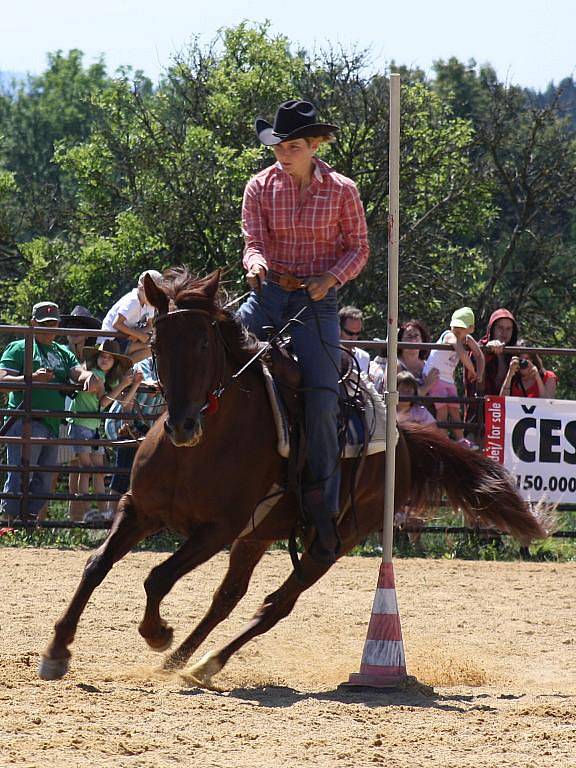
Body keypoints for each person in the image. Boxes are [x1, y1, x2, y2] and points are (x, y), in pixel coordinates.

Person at [238, 98, 369, 563]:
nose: (282, 153)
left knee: (320, 393)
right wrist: (254, 262)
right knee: (222, 363)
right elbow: (254, 241)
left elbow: (358, 248)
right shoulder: (258, 187)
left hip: (317, 300)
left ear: (315, 145)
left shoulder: (342, 190)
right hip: (269, 292)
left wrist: (330, 279)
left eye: (292, 146)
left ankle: (323, 507)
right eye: (278, 145)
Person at [0, 301, 100, 521]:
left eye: (54, 323)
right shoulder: (19, 347)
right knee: (20, 475)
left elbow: (76, 372)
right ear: (33, 323)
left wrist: (88, 376)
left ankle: (28, 523)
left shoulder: (62, 352)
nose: (50, 328)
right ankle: (8, 524)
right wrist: (31, 379)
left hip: (52, 422)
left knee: (45, 479)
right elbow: (3, 380)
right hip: (25, 420)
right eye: (45, 324)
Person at [67, 340, 134, 522]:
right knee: (88, 468)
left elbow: (121, 402)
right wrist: (125, 384)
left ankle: (102, 510)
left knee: (98, 469)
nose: (105, 360)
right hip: (81, 425)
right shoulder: (95, 376)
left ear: (114, 363)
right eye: (103, 356)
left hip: (92, 427)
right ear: (97, 358)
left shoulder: (106, 379)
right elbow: (104, 402)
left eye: (110, 358)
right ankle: (90, 510)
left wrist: (132, 384)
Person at [103, 355, 165, 520]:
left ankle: (126, 515)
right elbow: (128, 397)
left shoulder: (171, 369)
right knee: (125, 465)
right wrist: (148, 385)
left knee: (141, 470)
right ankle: (112, 513)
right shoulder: (143, 365)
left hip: (146, 428)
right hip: (124, 423)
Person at [422, 307, 485, 444]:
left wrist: (479, 374)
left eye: (461, 326)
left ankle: (461, 440)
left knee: (455, 409)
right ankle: (443, 440)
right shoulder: (449, 335)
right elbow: (462, 353)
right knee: (442, 410)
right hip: (436, 376)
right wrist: (473, 371)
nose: (457, 329)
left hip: (448, 378)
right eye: (455, 325)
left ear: (470, 328)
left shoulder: (467, 339)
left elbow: (479, 354)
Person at [100, 270, 163, 363]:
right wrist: (139, 335)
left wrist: (137, 333)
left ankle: (123, 368)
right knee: (152, 347)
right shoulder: (133, 301)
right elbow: (117, 324)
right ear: (141, 289)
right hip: (111, 341)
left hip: (126, 338)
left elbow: (150, 325)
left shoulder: (149, 303)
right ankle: (122, 369)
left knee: (155, 346)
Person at [369, 319, 439, 398]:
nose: (413, 340)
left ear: (422, 339)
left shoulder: (427, 365)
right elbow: (396, 397)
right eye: (409, 337)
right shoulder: (395, 365)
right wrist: (426, 386)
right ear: (400, 340)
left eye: (416, 336)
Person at [339, 306, 370, 374]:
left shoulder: (364, 357)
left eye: (357, 333)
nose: (354, 338)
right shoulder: (329, 355)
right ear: (339, 329)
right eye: (349, 333)